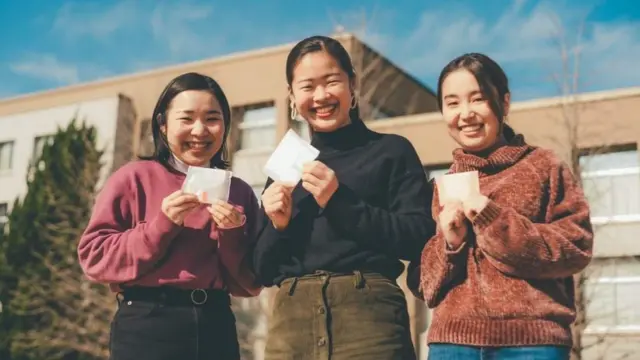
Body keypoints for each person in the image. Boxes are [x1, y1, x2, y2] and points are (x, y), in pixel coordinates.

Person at [253, 35, 437, 360]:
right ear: (292, 97)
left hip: (370, 325)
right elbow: (262, 270)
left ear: (352, 84)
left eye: (332, 81)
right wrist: (277, 225)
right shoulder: (286, 162)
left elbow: (419, 237)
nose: (321, 95)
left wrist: (339, 202)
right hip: (291, 329)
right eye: (308, 86)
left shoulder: (391, 150)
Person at [407, 53, 594, 360]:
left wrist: (491, 219)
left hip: (532, 344)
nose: (465, 113)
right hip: (452, 346)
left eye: (477, 99)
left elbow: (576, 248)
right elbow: (423, 285)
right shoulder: (441, 186)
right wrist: (450, 244)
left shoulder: (544, 166)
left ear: (504, 103)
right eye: (452, 103)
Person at [77, 72, 261, 360]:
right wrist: (160, 227)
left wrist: (232, 234)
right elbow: (94, 258)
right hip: (147, 323)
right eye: (186, 119)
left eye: (212, 118)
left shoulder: (238, 191)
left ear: (226, 126)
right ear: (163, 126)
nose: (200, 130)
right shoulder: (133, 178)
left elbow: (251, 283)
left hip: (216, 324)